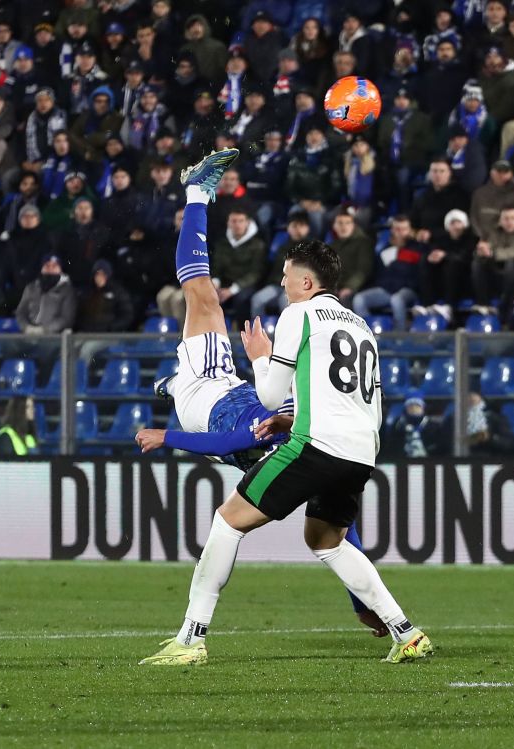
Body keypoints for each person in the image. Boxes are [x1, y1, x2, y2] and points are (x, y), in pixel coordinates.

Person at [140, 187, 432, 666]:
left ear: (307, 284)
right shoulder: (362, 326)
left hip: (316, 444)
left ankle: (191, 641)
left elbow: (271, 394)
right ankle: (406, 632)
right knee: (325, 540)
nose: (282, 284)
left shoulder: (299, 313)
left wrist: (259, 357)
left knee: (228, 521)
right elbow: (369, 404)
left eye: (286, 278)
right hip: (362, 450)